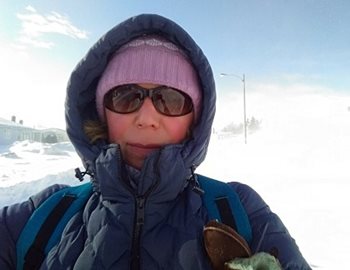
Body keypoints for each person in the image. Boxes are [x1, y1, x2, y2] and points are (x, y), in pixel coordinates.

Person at [0, 14, 311, 270]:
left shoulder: (237, 209)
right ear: (101, 113)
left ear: (195, 121)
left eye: (170, 100)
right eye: (125, 96)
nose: (147, 118)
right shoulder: (46, 215)